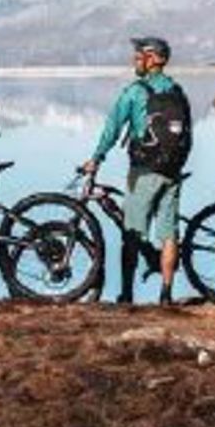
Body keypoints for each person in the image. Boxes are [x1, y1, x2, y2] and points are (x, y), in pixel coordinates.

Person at [81, 36, 191, 306]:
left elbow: (113, 127)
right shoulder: (177, 90)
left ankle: (127, 295)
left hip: (143, 171)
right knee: (168, 234)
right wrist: (177, 163)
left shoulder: (135, 91)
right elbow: (188, 132)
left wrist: (96, 158)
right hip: (172, 170)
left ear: (153, 59)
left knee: (131, 234)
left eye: (139, 55)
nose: (135, 60)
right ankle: (166, 295)